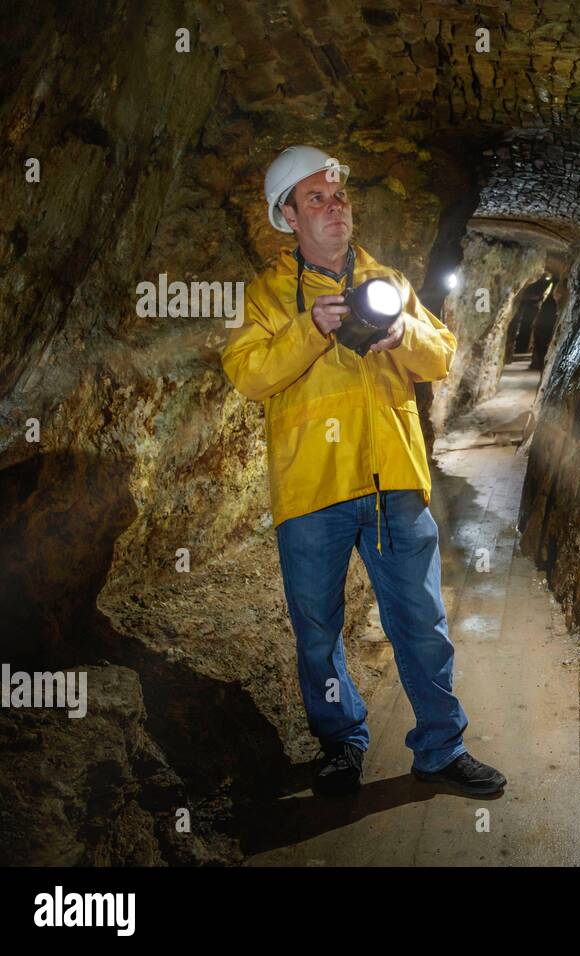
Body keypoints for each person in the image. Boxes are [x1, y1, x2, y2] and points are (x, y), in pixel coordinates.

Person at [221, 145, 506, 798]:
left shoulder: (388, 282)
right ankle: (341, 744)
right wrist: (310, 329)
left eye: (338, 196)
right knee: (318, 635)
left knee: (422, 625)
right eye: (315, 199)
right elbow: (250, 375)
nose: (333, 208)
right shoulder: (266, 294)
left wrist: (402, 330)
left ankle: (441, 748)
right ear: (288, 217)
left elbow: (440, 358)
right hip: (312, 490)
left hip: (392, 486)